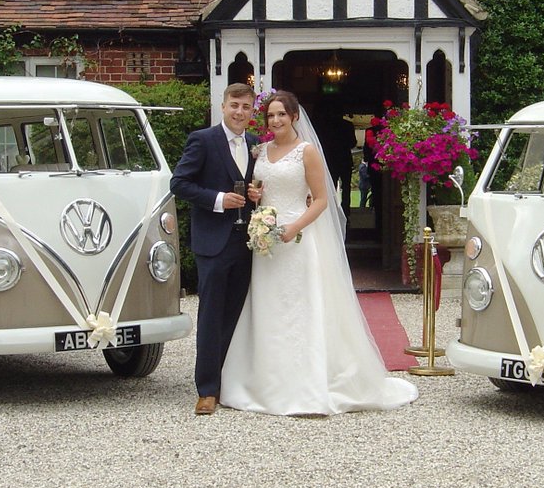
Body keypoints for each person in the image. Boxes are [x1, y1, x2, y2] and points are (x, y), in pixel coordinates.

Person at [220, 91, 418, 416]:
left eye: (282, 114)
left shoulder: (306, 152)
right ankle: (265, 379)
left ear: (295, 117)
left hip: (297, 240)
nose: (276, 121)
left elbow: (323, 200)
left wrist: (295, 227)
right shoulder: (260, 150)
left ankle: (306, 381)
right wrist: (256, 195)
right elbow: (260, 191)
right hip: (266, 241)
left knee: (300, 307)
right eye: (270, 116)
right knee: (267, 306)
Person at [170, 83, 258, 416]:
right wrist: (218, 200)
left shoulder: (254, 145)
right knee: (210, 317)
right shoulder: (203, 140)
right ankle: (207, 389)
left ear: (252, 112)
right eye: (234, 105)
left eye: (246, 107)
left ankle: (230, 381)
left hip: (247, 242)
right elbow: (179, 183)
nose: (239, 112)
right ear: (223, 107)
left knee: (236, 315)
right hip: (213, 243)